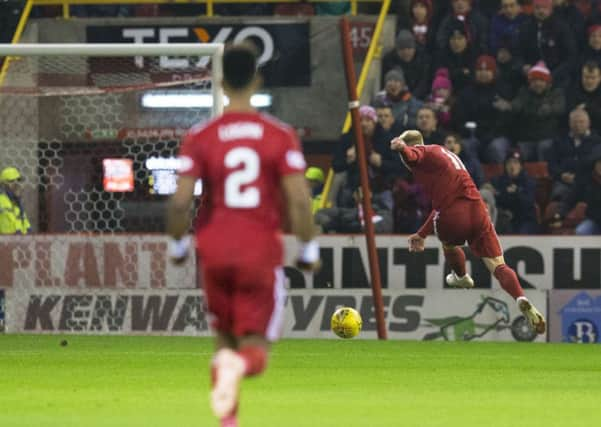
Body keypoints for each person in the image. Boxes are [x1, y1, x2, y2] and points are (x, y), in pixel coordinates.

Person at [166, 43, 319, 427]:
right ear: (257, 80)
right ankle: (237, 376)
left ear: (219, 82)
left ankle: (228, 422)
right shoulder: (278, 135)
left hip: (214, 250)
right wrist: (307, 248)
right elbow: (299, 201)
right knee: (254, 353)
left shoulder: (200, 135)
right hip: (258, 251)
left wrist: (179, 245)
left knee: (224, 348)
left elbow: (180, 202)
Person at [390, 130, 546, 335]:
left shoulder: (422, 154)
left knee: (449, 243)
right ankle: (520, 297)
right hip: (478, 209)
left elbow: (412, 155)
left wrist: (402, 148)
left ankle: (461, 275)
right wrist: (421, 233)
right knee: (497, 264)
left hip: (453, 214)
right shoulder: (445, 153)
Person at [0, 167, 31, 235]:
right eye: (12, 181)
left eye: (18, 180)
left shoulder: (17, 202)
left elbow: (25, 224)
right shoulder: (1, 200)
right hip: (4, 241)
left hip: (20, 241)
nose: (16, 184)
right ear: (3, 184)